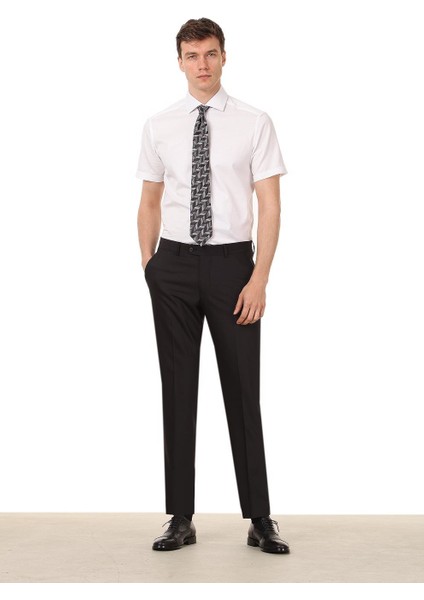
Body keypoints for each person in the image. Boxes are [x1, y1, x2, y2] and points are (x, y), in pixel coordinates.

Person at [135, 17, 290, 554]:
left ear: (224, 57)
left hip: (232, 268)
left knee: (243, 390)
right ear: (179, 61)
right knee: (177, 390)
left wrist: (259, 277)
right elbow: (149, 201)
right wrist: (150, 266)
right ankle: (180, 517)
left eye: (210, 53)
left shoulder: (254, 122)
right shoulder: (159, 125)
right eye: (192, 55)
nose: (202, 64)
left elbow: (269, 204)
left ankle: (260, 518)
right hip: (174, 267)